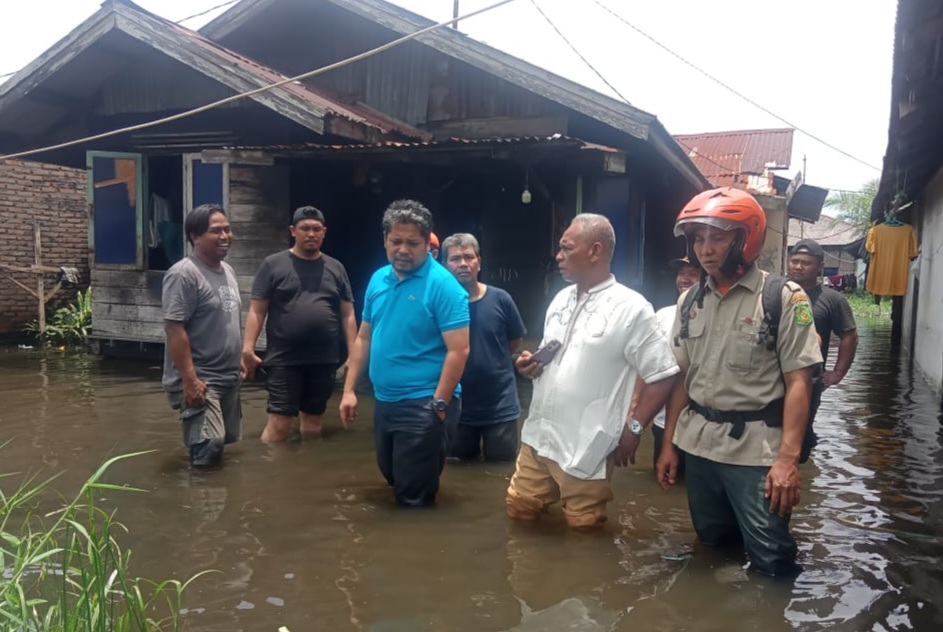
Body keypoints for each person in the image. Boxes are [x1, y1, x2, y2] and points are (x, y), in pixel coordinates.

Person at [657, 187, 822, 577]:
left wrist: (787, 460)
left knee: (772, 559)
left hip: (756, 455)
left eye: (717, 236)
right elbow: (684, 376)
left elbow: (800, 382)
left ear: (746, 237)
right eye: (698, 238)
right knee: (711, 544)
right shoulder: (690, 300)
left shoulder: (783, 297)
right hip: (699, 449)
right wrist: (668, 446)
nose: (705, 248)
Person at [507, 213, 680, 529]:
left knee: (584, 531)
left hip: (587, 443)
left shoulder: (632, 308)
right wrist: (530, 366)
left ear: (595, 251)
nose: (558, 256)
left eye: (566, 248)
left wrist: (635, 429)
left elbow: (664, 374)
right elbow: (553, 356)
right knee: (520, 511)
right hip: (539, 435)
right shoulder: (561, 299)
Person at [339, 199, 469, 507]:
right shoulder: (378, 279)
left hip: (424, 402)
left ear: (427, 243)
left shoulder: (444, 286)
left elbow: (459, 350)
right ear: (385, 239)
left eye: (412, 243)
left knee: (413, 499)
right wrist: (348, 390)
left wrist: (438, 405)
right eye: (396, 241)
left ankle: (418, 550)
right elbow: (364, 337)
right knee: (393, 477)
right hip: (385, 400)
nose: (403, 249)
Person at [242, 206, 357, 441]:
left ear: (324, 232)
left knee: (314, 422)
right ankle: (272, 473)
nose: (311, 234)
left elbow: (348, 314)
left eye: (316, 229)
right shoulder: (273, 265)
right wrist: (247, 348)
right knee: (280, 422)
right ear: (293, 231)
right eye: (305, 228)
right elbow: (257, 309)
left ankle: (306, 469)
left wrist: (353, 354)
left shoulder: (336, 268)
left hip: (323, 359)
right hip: (284, 358)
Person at [162, 203, 244, 468]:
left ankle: (220, 501)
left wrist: (238, 356)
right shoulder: (184, 274)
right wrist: (190, 380)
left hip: (227, 374)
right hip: (201, 378)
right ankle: (199, 504)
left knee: (224, 444)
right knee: (208, 445)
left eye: (228, 230)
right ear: (195, 236)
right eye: (216, 231)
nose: (225, 236)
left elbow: (227, 319)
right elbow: (174, 329)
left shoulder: (227, 271)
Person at [442, 232, 526, 462]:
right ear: (444, 265)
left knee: (502, 466)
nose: (463, 264)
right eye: (455, 259)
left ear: (479, 261)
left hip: (499, 404)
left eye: (468, 257)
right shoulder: (439, 304)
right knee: (458, 467)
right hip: (456, 404)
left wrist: (492, 360)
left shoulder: (501, 299)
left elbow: (514, 340)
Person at [648, 256, 701, 474]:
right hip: (662, 420)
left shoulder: (713, 315)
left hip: (699, 423)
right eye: (682, 273)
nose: (685, 279)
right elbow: (648, 367)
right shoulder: (662, 315)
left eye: (692, 273)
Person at [787, 239, 858, 388]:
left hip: (809, 380)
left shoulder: (832, 299)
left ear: (820, 267)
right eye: (794, 261)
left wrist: (838, 373)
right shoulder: (774, 292)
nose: (798, 267)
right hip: (772, 378)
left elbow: (850, 336)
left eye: (806, 263)